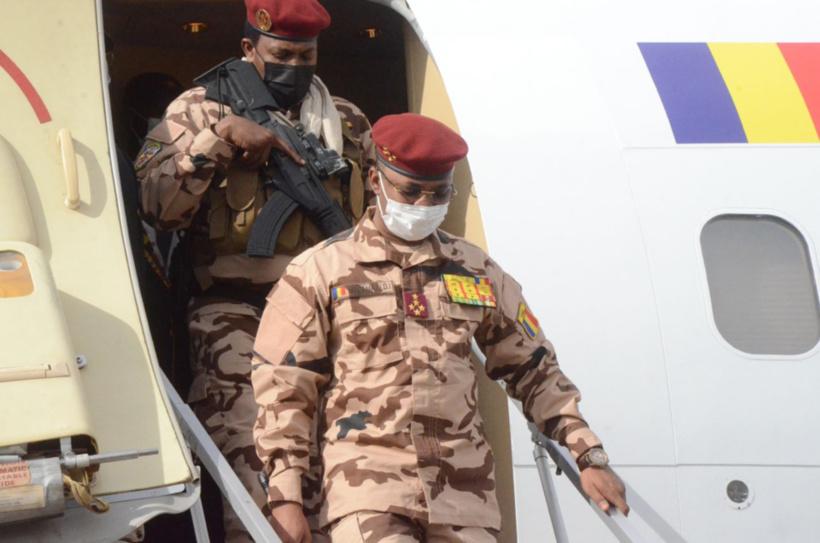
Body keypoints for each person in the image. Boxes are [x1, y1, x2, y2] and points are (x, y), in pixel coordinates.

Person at [251, 113, 629, 542]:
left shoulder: (476, 270)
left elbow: (534, 366)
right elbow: (284, 386)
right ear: (375, 181)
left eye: (438, 194)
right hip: (369, 490)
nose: (423, 206)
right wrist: (285, 496)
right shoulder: (320, 271)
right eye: (410, 191)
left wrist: (587, 453)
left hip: (465, 497)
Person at [134, 1, 374, 540]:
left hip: (332, 313)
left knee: (348, 460)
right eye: (281, 54)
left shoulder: (345, 120)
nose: (295, 66)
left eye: (306, 56)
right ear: (249, 48)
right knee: (259, 462)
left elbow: (375, 214)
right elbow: (156, 208)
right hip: (237, 313)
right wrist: (216, 142)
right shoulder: (198, 109)